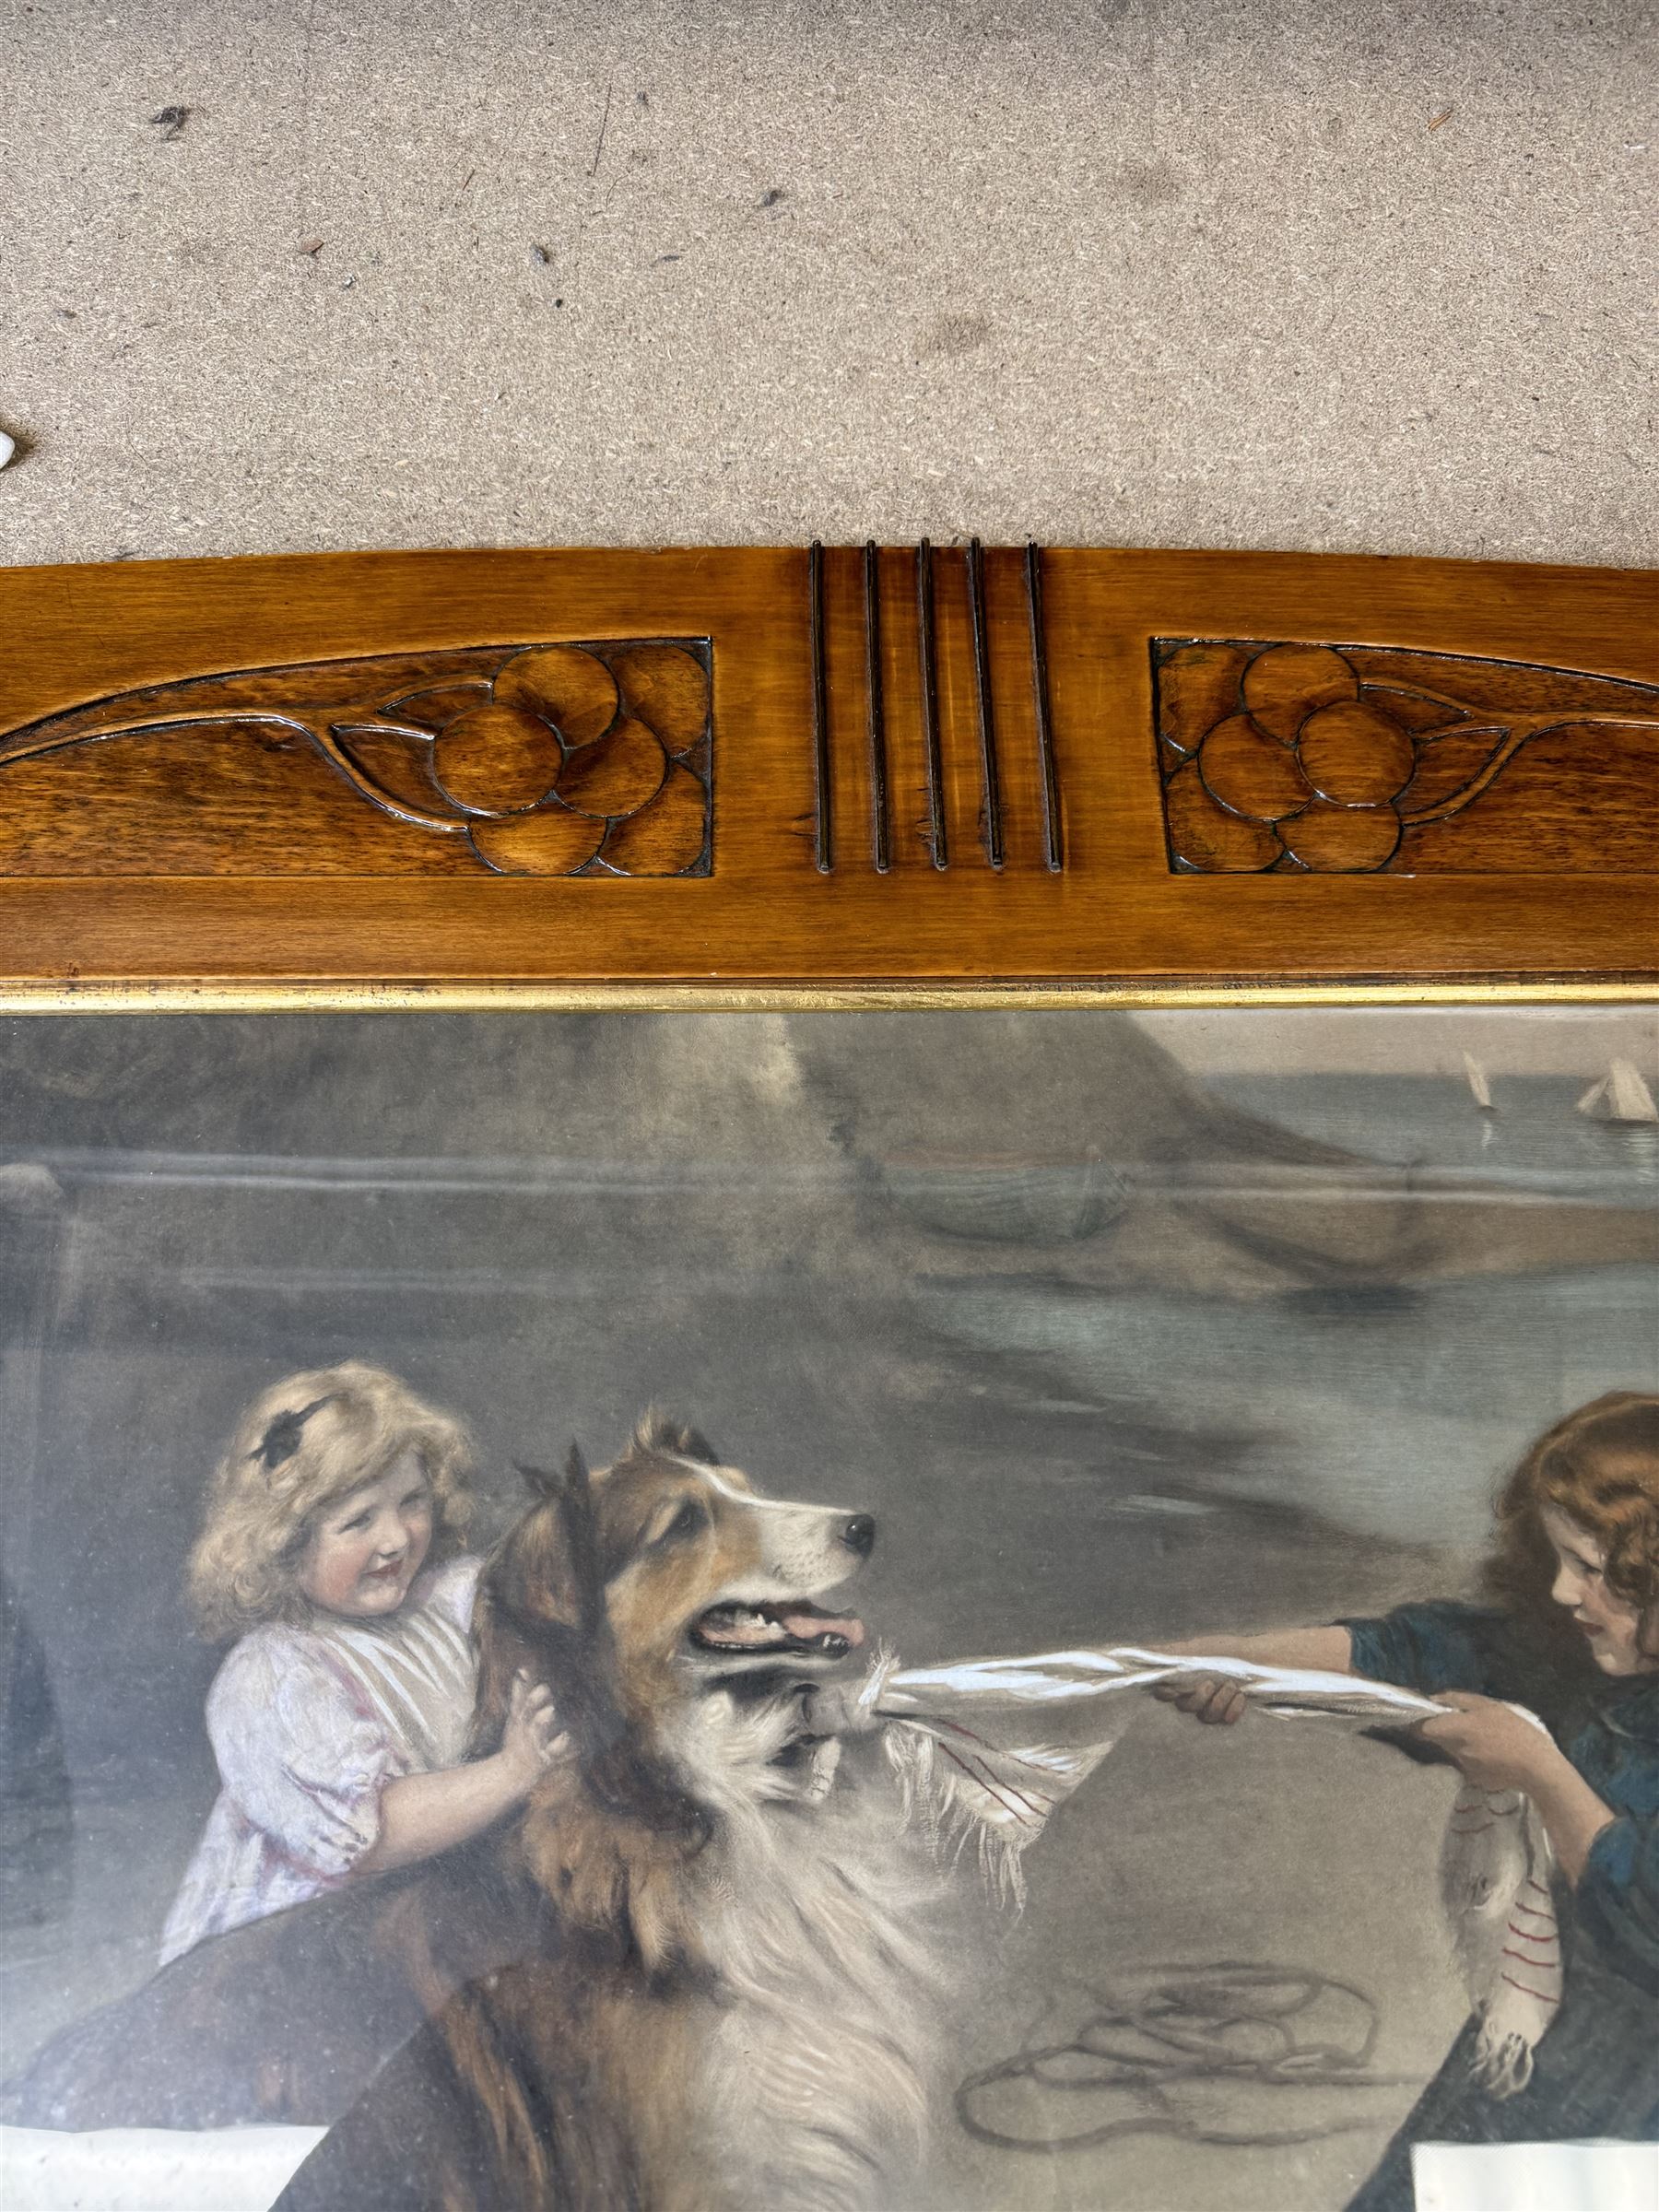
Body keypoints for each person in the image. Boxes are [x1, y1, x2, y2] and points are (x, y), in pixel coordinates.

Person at [1158, 1390, 1659, 2208]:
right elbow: (1419, 1653)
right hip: (1539, 2054)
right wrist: (1240, 1662)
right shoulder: (1581, 1660)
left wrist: (1539, 1770)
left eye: (1596, 1570)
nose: (1565, 1592)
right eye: (1561, 1559)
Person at [160, 1361, 561, 1964]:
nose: (397, 1539)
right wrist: (514, 1769)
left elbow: (529, 1596)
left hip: (416, 1918)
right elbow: (369, 1838)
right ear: (285, 1543)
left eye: (412, 1502)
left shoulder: (447, 1601)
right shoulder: (271, 1676)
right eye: (359, 1521)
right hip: (292, 1952)